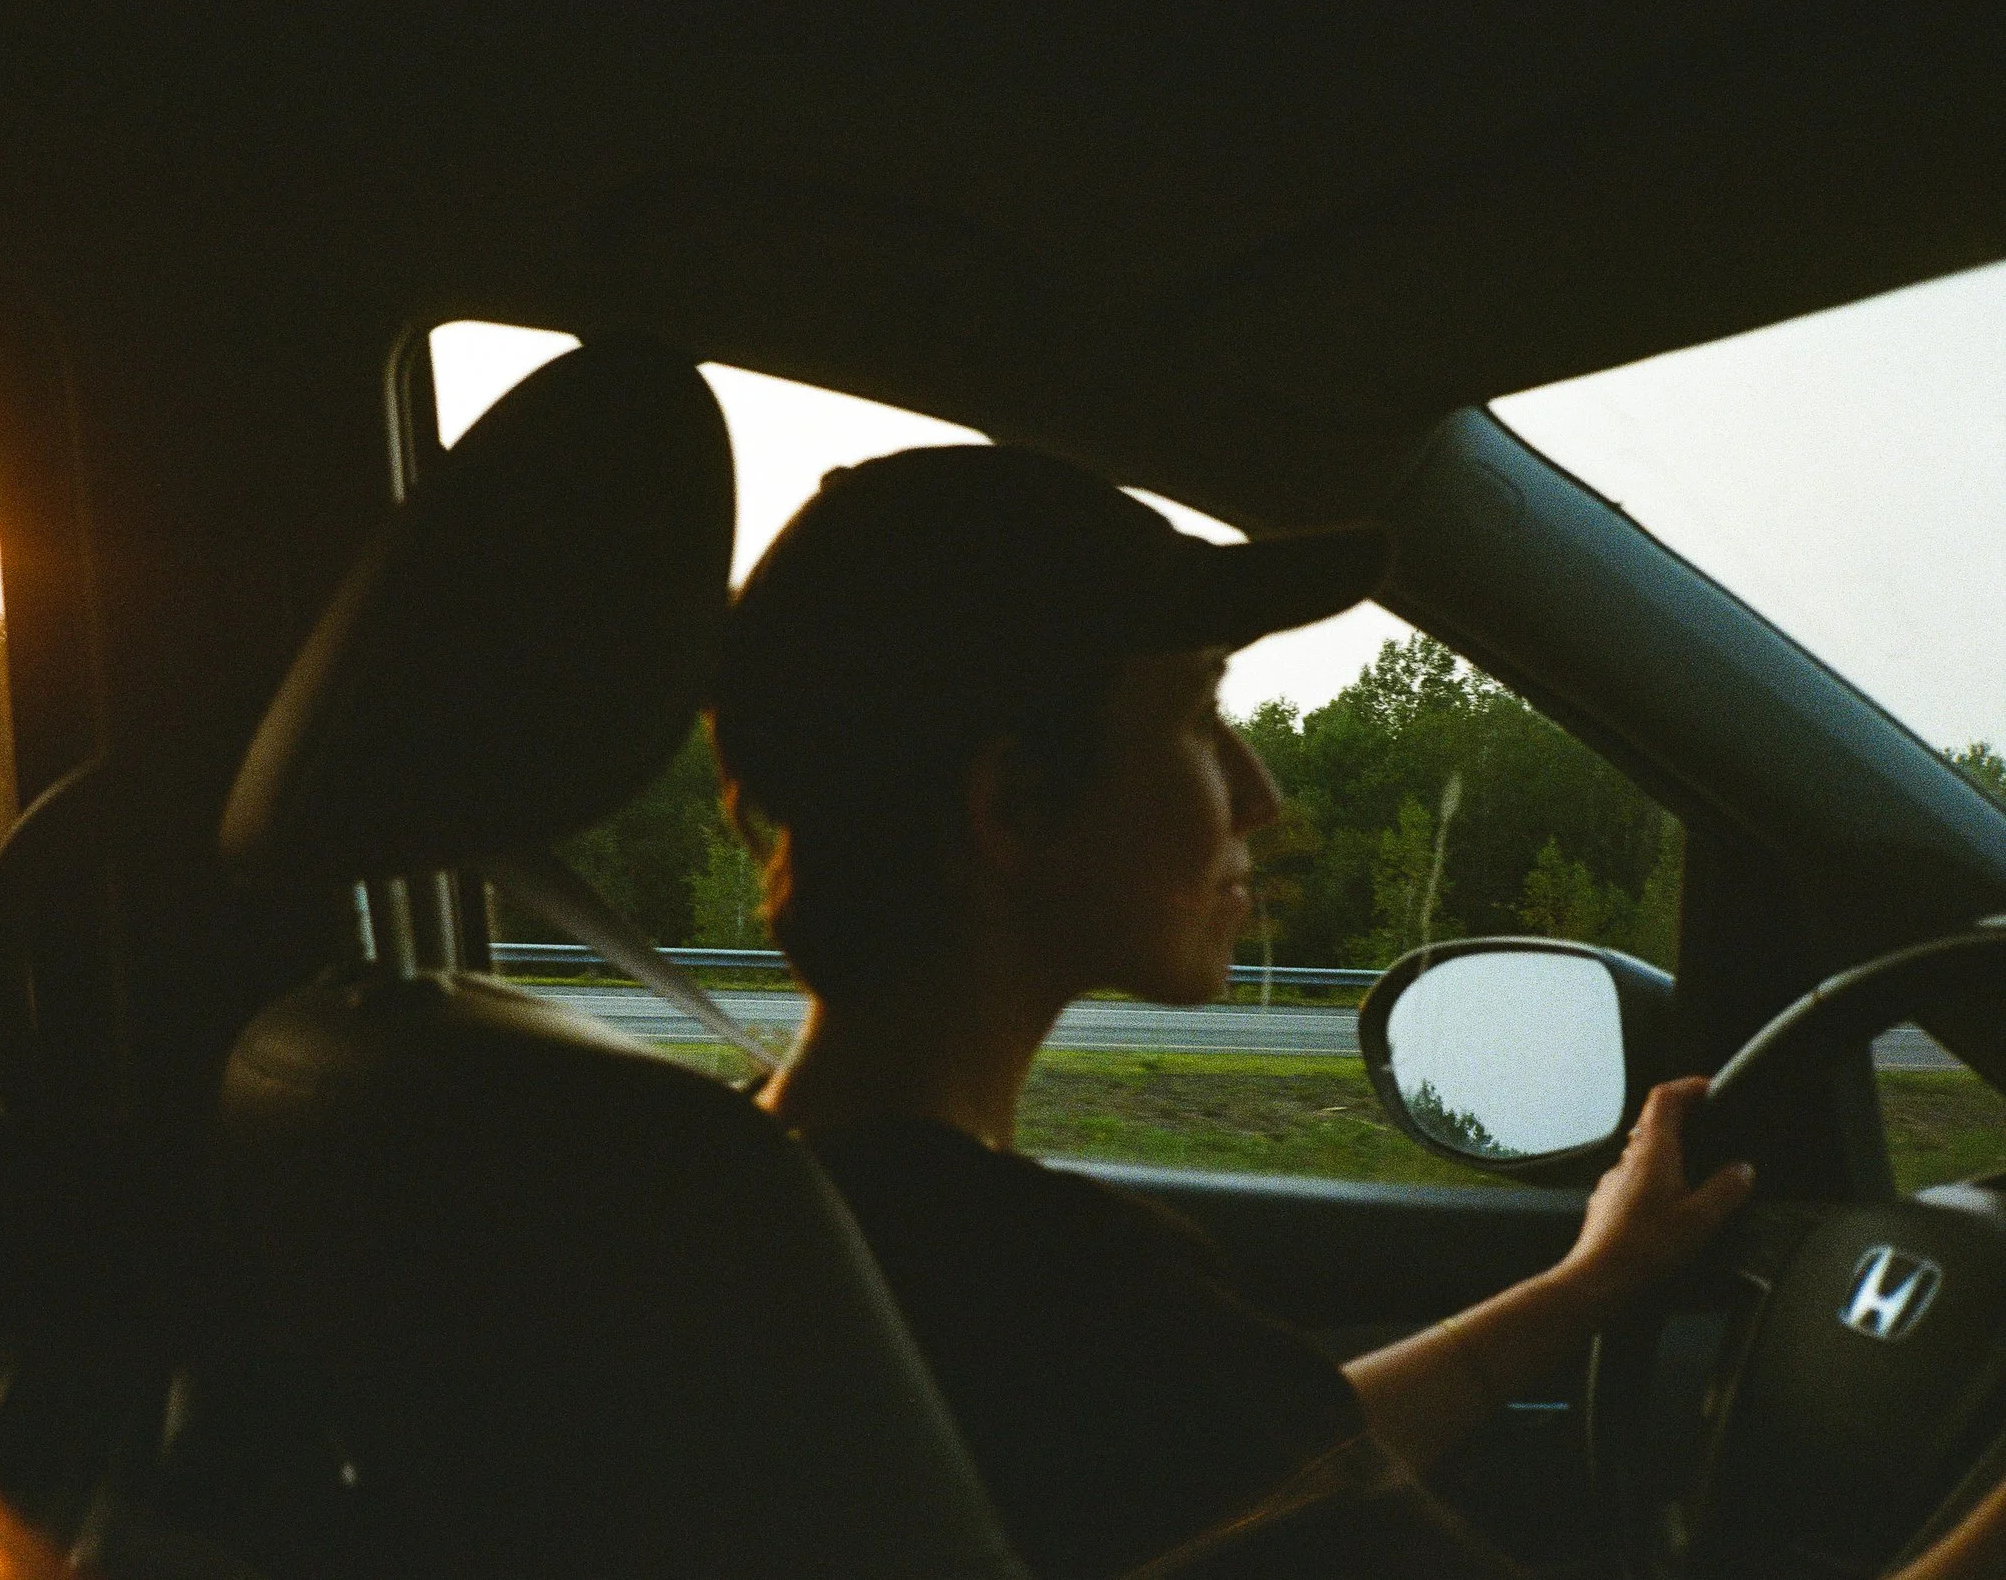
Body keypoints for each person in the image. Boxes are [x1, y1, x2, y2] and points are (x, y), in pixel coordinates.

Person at [709, 444, 2006, 1579]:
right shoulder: (1047, 1289)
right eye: (1200, 718)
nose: (1258, 794)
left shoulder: (763, 1199)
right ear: (1011, 805)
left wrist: (1590, 1284)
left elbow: (1251, 1464)